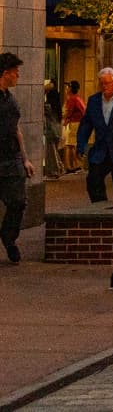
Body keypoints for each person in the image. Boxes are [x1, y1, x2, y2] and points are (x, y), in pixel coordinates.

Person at [76, 67, 113, 202]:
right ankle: (100, 207)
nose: (104, 86)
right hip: (101, 151)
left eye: (107, 83)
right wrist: (80, 145)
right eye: (101, 83)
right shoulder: (94, 101)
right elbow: (86, 125)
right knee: (93, 180)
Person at [0, 53, 33, 264]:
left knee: (18, 202)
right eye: (15, 73)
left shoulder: (10, 99)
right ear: (5, 74)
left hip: (11, 159)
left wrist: (25, 158)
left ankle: (9, 237)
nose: (18, 76)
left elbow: (16, 129)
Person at [61, 81, 84, 173]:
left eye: (68, 87)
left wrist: (65, 120)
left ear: (70, 89)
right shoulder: (78, 98)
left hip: (74, 123)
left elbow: (68, 112)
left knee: (70, 145)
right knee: (73, 144)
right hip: (78, 123)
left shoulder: (72, 99)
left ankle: (72, 166)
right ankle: (76, 165)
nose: (66, 89)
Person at [42, 80, 63, 180]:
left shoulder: (48, 106)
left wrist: (45, 90)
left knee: (51, 152)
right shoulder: (57, 107)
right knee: (54, 151)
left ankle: (54, 171)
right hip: (56, 130)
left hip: (51, 131)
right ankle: (59, 168)